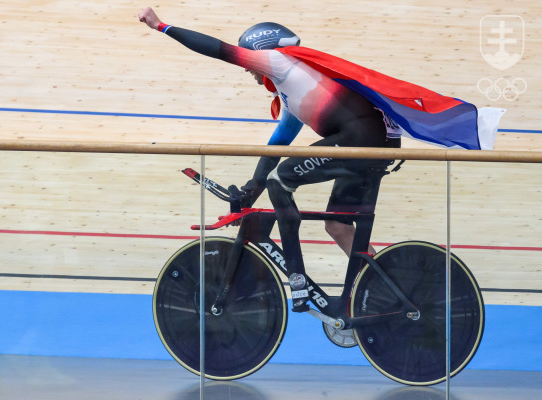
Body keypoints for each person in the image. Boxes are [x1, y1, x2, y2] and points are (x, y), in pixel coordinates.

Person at [137, 7, 502, 313]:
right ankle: (378, 297)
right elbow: (278, 144)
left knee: (282, 181)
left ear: (263, 52)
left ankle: (296, 278)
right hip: (374, 142)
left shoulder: (280, 62)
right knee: (339, 227)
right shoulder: (295, 89)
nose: (250, 70)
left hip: (362, 140)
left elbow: (218, 49)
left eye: (252, 61)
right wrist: (251, 188)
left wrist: (162, 26)